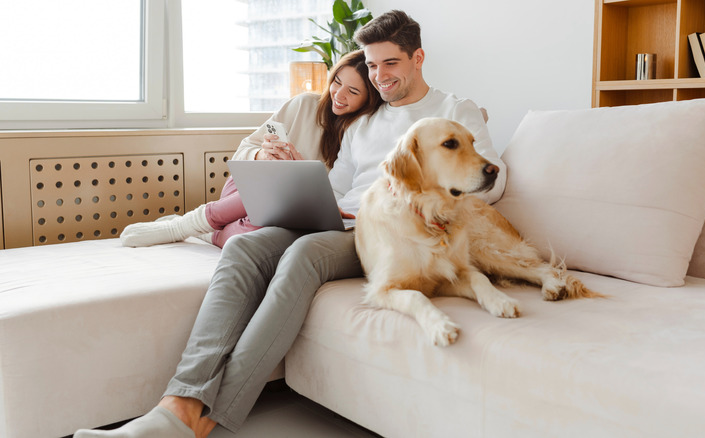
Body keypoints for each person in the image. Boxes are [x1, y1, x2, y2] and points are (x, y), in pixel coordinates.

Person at [74, 10, 505, 438]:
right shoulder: (366, 122)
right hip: (342, 220)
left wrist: (423, 193)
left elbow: (492, 180)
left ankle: (203, 420)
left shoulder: (454, 110)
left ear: (418, 58)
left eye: (390, 63)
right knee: (247, 246)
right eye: (372, 65)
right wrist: (306, 181)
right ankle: (177, 404)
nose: (379, 76)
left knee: (304, 253)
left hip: (393, 234)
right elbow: (337, 189)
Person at [119, 50, 382, 248]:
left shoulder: (362, 132)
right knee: (273, 184)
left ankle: (208, 232)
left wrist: (299, 172)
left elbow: (330, 200)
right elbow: (243, 151)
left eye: (352, 91)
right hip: (244, 191)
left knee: (255, 239)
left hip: (283, 213)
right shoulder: (303, 105)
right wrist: (262, 155)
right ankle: (181, 226)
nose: (338, 94)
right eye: (336, 82)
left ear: (369, 98)